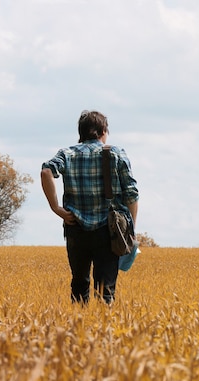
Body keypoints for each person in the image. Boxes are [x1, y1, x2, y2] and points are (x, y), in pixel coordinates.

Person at [41, 110, 139, 304]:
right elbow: (131, 194)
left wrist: (56, 209)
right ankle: (102, 331)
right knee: (105, 290)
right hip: (108, 230)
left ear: (82, 132)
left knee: (79, 284)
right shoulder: (116, 153)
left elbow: (46, 172)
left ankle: (77, 330)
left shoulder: (67, 153)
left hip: (75, 228)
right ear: (103, 130)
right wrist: (131, 228)